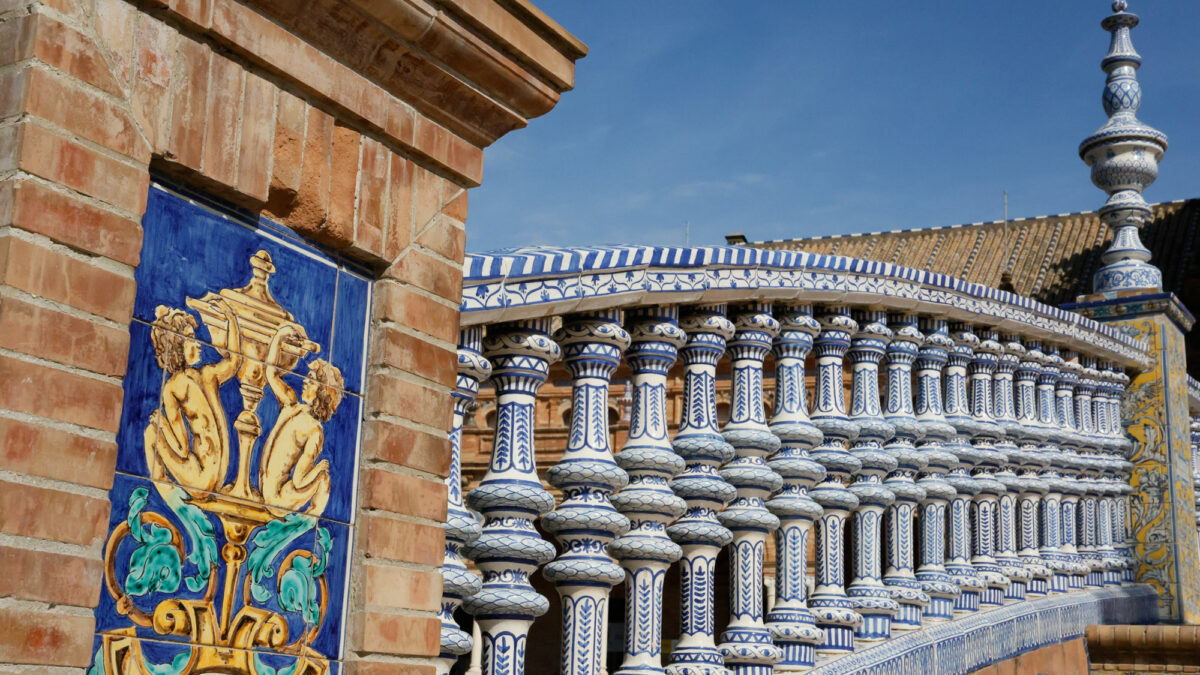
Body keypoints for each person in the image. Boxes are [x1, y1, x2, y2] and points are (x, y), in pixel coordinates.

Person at [144, 300, 242, 493]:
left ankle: (164, 492)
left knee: (150, 432)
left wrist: (161, 423)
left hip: (202, 479)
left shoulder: (174, 387)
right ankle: (165, 493)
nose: (198, 345)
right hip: (216, 478)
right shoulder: (207, 376)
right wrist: (232, 319)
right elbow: (235, 360)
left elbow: (181, 448)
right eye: (190, 339)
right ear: (176, 346)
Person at [260, 324, 342, 516]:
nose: (305, 381)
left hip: (277, 498)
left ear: (322, 392)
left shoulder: (300, 414)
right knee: (322, 476)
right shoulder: (298, 411)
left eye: (311, 380)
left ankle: (311, 521)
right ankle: (311, 520)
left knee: (323, 477)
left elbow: (297, 481)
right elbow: (270, 374)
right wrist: (278, 337)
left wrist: (278, 339)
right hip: (274, 497)